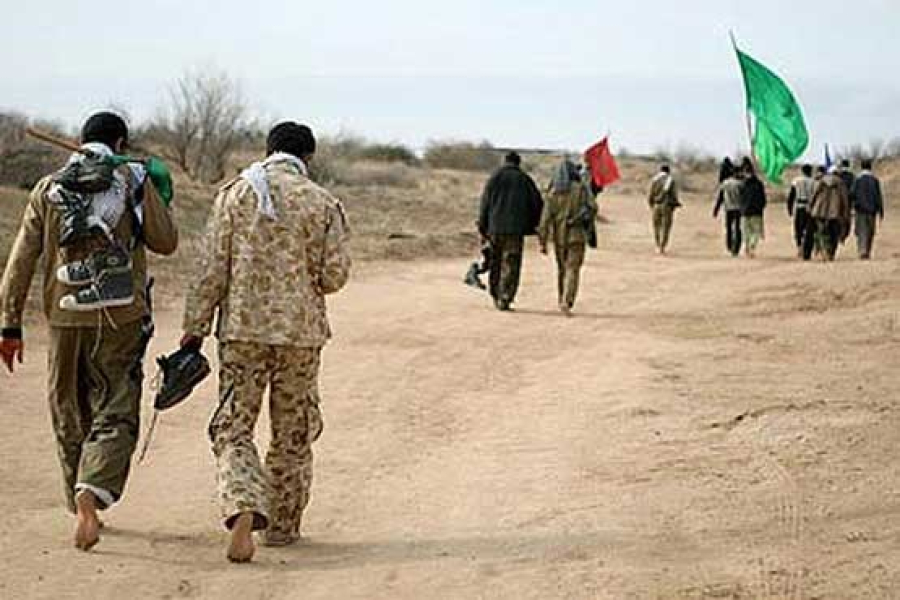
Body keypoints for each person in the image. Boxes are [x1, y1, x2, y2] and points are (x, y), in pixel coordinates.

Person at [0, 112, 178, 551]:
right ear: (120, 143)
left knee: (68, 408)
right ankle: (91, 490)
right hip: (120, 318)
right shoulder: (132, 180)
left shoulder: (48, 187)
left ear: (81, 140)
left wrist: (10, 323)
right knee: (115, 407)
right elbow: (166, 241)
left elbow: (22, 259)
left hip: (65, 318)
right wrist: (151, 189)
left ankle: (77, 496)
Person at [181, 122, 351, 563]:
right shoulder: (322, 202)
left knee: (234, 427)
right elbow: (335, 276)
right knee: (293, 431)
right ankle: (281, 526)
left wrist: (194, 326)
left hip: (242, 333)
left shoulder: (235, 195)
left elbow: (210, 269)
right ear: (308, 157)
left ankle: (242, 504)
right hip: (300, 335)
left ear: (269, 150)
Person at [477, 152, 543, 311]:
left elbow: (485, 203)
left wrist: (482, 226)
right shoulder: (525, 179)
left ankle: (495, 294)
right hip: (515, 230)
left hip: (494, 228)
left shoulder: (494, 178)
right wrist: (533, 225)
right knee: (511, 263)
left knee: (495, 262)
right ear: (518, 163)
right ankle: (505, 297)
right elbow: (537, 204)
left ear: (504, 161)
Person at [538, 159, 598, 316]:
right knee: (573, 269)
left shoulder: (552, 193)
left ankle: (561, 299)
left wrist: (543, 242)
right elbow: (593, 208)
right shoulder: (582, 189)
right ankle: (567, 300)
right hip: (577, 236)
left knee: (562, 269)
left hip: (559, 237)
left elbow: (544, 220)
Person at [809, 166, 851, 261]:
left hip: (820, 210)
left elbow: (815, 194)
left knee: (821, 231)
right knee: (834, 233)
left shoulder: (821, 181)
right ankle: (831, 252)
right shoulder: (840, 183)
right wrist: (845, 211)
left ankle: (823, 250)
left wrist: (811, 206)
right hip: (835, 212)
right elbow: (844, 198)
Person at [851, 159, 885, 259]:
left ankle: (862, 250)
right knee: (870, 231)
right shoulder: (875, 180)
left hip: (860, 209)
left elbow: (852, 193)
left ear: (861, 167)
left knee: (861, 230)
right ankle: (867, 250)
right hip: (872, 210)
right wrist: (881, 210)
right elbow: (878, 196)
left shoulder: (858, 180)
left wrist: (852, 205)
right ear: (870, 167)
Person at [647, 164, 681, 254]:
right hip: (667, 206)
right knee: (666, 227)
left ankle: (657, 245)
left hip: (656, 205)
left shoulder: (654, 180)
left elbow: (650, 194)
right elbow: (674, 195)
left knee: (656, 226)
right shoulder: (670, 180)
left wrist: (651, 205)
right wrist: (675, 205)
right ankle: (662, 246)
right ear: (668, 171)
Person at [713, 162, 744, 257]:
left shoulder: (725, 184)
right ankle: (736, 248)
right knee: (737, 228)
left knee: (728, 228)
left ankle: (729, 245)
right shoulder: (741, 184)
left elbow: (720, 197)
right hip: (738, 208)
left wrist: (716, 209)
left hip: (728, 208)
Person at [787, 164, 817, 260]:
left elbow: (791, 196)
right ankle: (807, 250)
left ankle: (799, 247)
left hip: (799, 207)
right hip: (810, 208)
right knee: (809, 230)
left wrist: (790, 209)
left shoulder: (796, 181)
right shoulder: (814, 182)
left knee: (798, 229)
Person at [740, 159, 767, 258]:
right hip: (756, 212)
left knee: (746, 231)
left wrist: (741, 208)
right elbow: (763, 198)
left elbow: (741, 197)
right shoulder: (759, 184)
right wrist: (762, 207)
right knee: (756, 231)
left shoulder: (743, 184)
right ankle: (751, 246)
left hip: (745, 211)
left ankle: (747, 246)